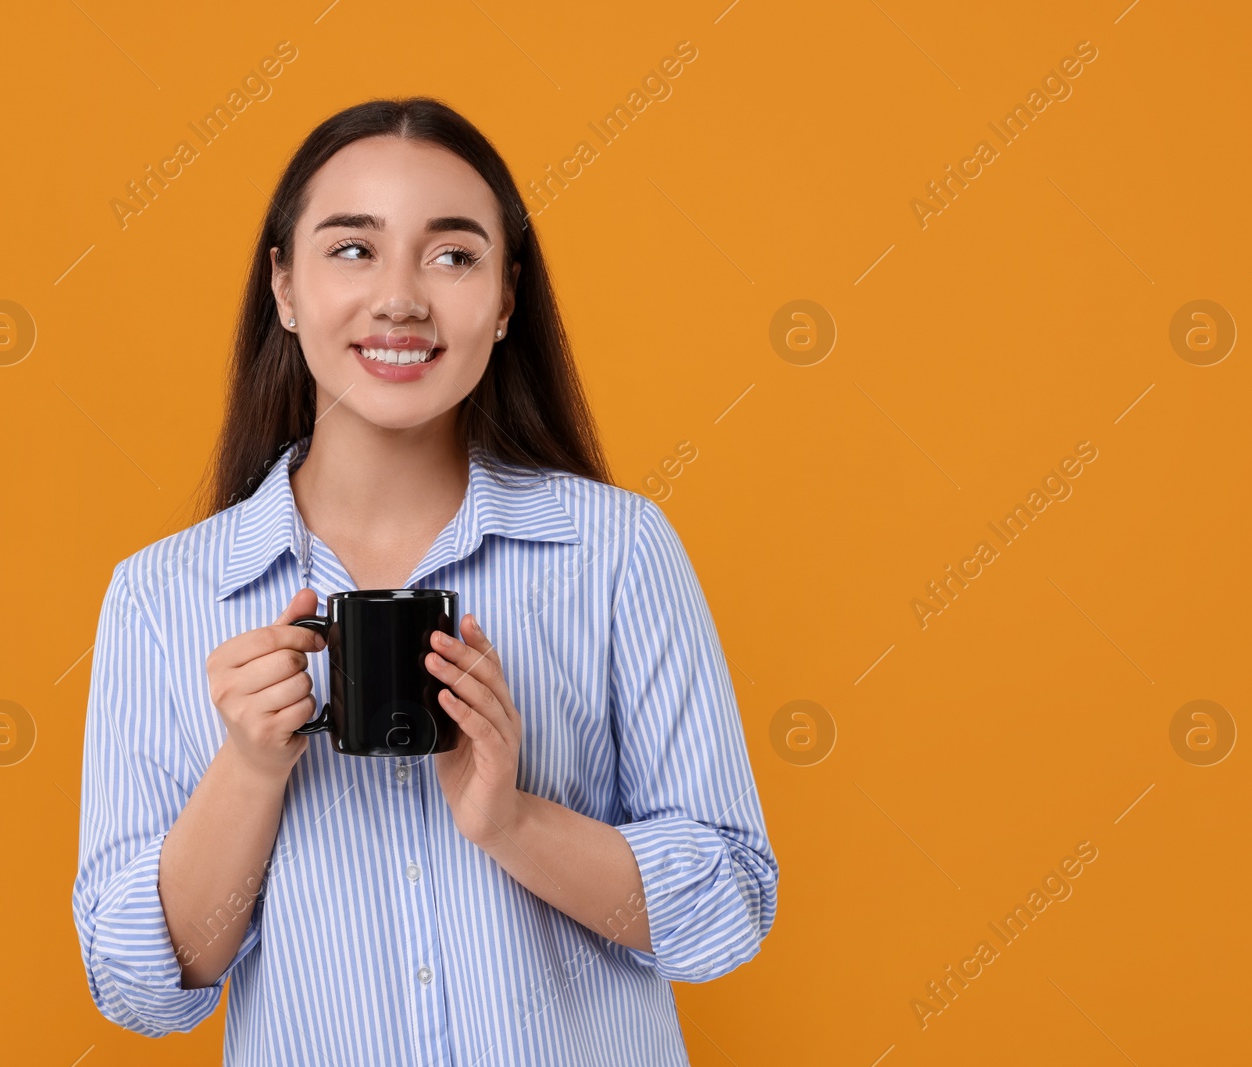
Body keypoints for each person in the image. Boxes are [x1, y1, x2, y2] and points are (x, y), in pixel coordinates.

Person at [70, 96, 778, 1065]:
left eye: (452, 255)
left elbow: (726, 909)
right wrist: (247, 769)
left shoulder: (616, 551)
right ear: (283, 285)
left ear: (506, 295)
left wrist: (512, 818)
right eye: (352, 249)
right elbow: (145, 987)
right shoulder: (160, 597)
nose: (401, 297)